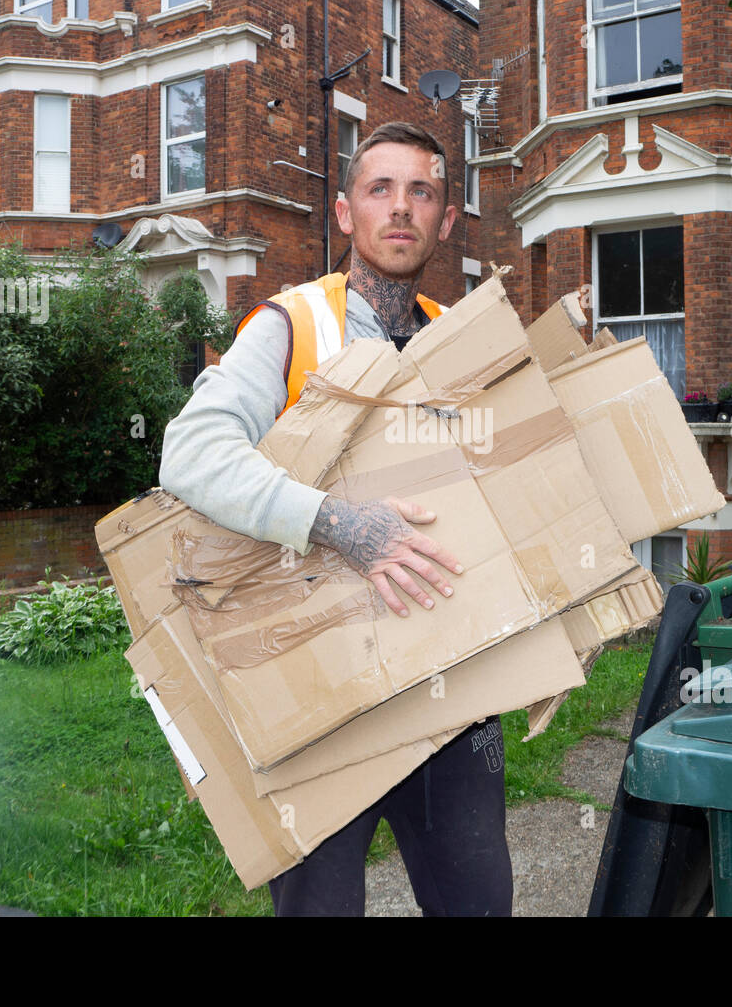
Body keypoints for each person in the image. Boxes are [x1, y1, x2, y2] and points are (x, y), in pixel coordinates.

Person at [158, 121, 513, 917]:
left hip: (445, 688)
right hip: (315, 689)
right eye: (378, 189)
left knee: (481, 903)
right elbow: (189, 452)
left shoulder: (458, 340)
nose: (400, 208)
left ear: (446, 219)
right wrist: (341, 523)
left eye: (420, 191)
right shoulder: (289, 326)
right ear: (346, 213)